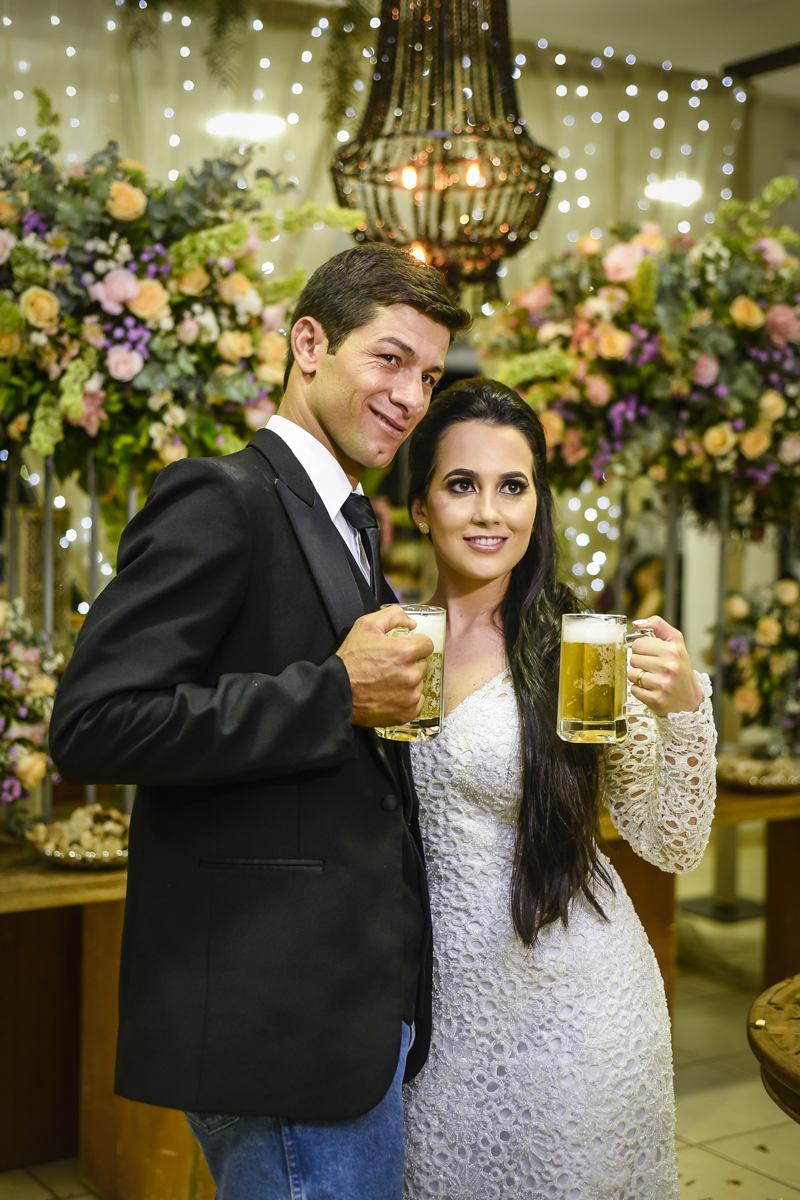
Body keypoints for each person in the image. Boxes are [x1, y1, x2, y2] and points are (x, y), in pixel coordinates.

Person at [49, 244, 471, 1200]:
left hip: (346, 1008)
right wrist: (335, 693)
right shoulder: (221, 497)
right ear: (309, 342)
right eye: (391, 359)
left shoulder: (345, 518)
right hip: (274, 1009)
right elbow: (97, 722)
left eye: (431, 375)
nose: (412, 396)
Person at [401, 378, 717, 1199]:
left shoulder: (580, 648)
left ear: (538, 504)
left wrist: (687, 710)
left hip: (578, 1025)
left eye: (514, 486)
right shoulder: (393, 640)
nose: (489, 512)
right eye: (461, 484)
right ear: (421, 507)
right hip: (437, 1030)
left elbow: (668, 840)